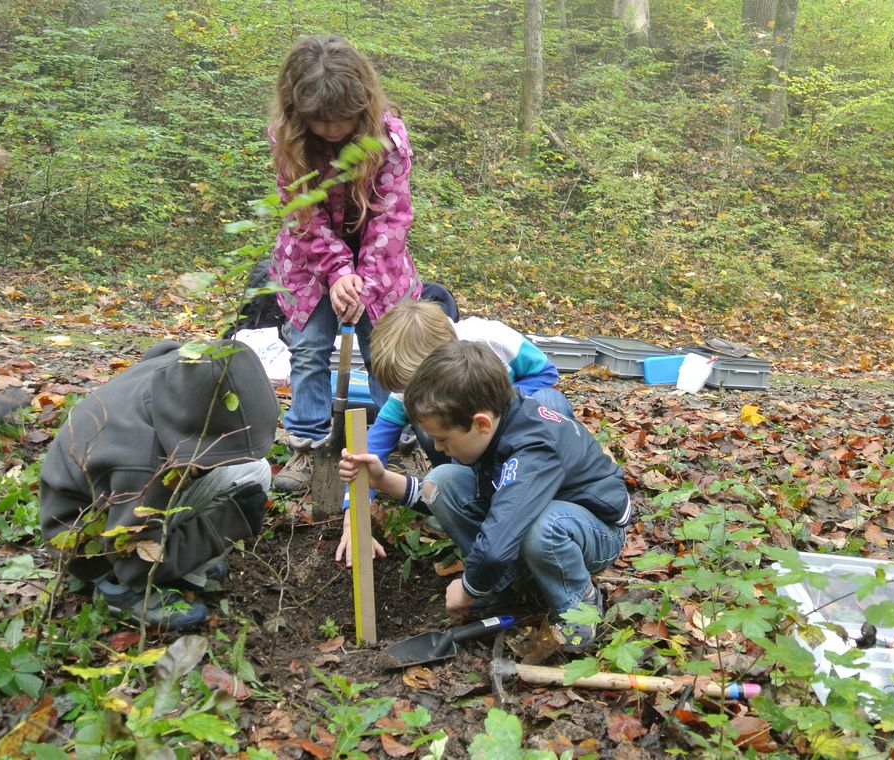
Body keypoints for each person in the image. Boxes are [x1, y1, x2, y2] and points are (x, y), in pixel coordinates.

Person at [339, 341, 630, 652]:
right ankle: (505, 584)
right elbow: (458, 499)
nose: (436, 448)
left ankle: (577, 604)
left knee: (543, 528)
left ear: (481, 423)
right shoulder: (499, 423)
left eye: (442, 438)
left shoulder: (533, 449)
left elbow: (503, 529)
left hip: (595, 530)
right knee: (442, 481)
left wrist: (467, 588)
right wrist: (382, 479)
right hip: (538, 514)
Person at [268, 34, 422, 494]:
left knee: (386, 354)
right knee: (310, 349)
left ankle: (395, 443)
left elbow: (393, 216)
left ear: (363, 105)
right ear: (299, 112)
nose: (332, 129)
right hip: (308, 262)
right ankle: (309, 444)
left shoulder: (388, 139)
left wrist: (365, 283)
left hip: (381, 261)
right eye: (319, 120)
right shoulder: (288, 141)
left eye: (343, 119)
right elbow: (301, 214)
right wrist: (337, 272)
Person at [40, 340, 280, 630]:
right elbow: (135, 560)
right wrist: (223, 526)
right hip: (86, 545)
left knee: (252, 470)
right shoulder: (142, 461)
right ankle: (119, 593)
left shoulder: (179, 374)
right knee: (244, 487)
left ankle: (181, 565)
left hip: (108, 498)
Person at [333, 300, 574, 565]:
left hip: (515, 434)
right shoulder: (416, 383)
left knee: (550, 403)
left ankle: (545, 500)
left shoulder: (493, 339)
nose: (412, 395)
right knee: (431, 428)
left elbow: (546, 373)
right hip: (475, 451)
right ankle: (467, 499)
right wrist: (353, 519)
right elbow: (371, 448)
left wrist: (496, 411)